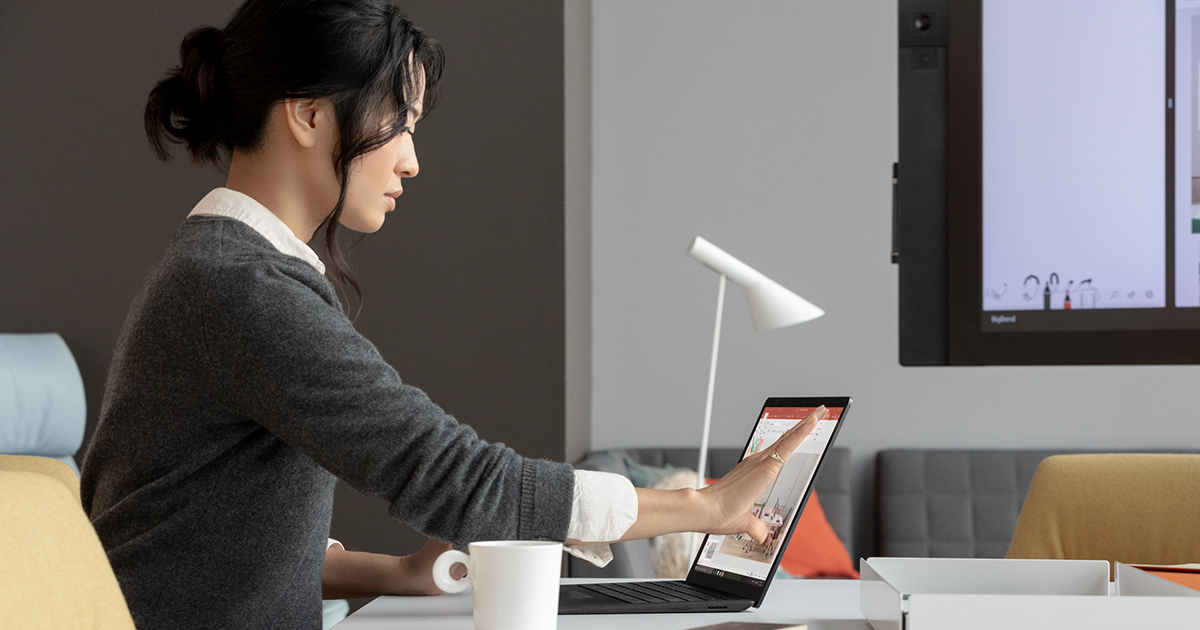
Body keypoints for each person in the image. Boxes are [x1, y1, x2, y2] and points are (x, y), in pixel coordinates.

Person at [79, 1, 823, 628]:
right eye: (399, 121)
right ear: (309, 115)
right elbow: (459, 479)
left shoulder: (228, 271)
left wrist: (401, 571)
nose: (411, 159)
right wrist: (703, 506)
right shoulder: (240, 289)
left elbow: (208, 537)